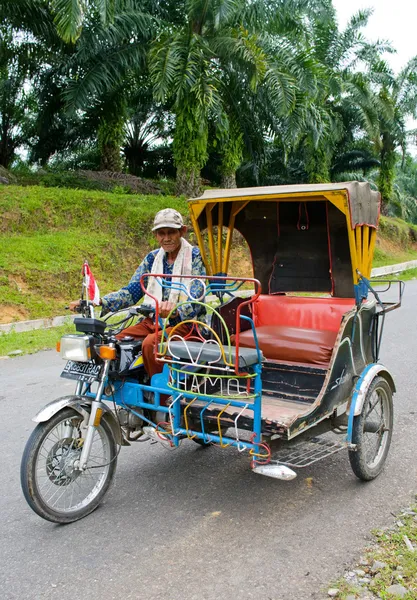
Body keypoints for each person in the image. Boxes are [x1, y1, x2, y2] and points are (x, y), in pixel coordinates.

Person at [70, 208, 206, 380]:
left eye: (171, 232)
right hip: (153, 321)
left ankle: (162, 396)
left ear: (182, 231)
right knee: (114, 342)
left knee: (151, 344)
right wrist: (99, 302)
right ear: (155, 235)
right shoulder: (152, 258)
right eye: (161, 233)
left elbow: (196, 295)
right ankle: (126, 388)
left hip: (187, 325)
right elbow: (131, 291)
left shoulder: (194, 257)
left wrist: (176, 310)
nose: (166, 238)